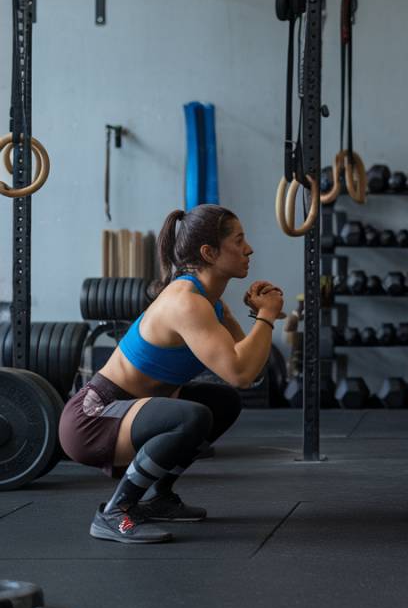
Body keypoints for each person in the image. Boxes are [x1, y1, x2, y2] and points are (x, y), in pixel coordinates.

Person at [59, 204, 284, 543]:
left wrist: (259, 318)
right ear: (209, 252)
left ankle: (159, 498)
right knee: (190, 416)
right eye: (239, 241)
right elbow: (240, 372)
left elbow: (252, 375)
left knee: (223, 403)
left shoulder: (211, 304)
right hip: (92, 419)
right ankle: (114, 514)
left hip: (133, 411)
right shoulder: (186, 302)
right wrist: (267, 316)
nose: (249, 249)